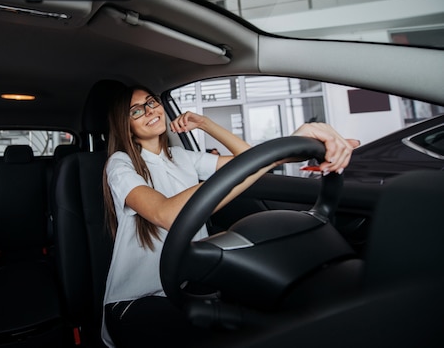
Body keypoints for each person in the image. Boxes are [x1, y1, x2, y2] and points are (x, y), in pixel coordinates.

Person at [101, 85, 360, 348]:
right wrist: (268, 158)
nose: (150, 111)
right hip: (137, 299)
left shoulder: (180, 156)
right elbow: (165, 214)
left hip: (187, 284)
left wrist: (205, 124)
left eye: (152, 102)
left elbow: (248, 159)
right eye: (136, 110)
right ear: (125, 126)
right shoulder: (120, 164)